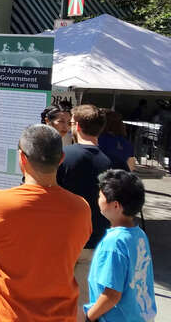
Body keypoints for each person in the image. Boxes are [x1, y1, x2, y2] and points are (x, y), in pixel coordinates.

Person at [0, 125, 91, 322]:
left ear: (22, 158)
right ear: (61, 158)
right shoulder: (81, 208)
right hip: (59, 316)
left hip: (4, 314)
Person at [57, 104, 113, 304]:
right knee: (83, 302)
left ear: (77, 126)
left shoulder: (64, 156)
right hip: (96, 238)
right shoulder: (110, 162)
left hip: (64, 240)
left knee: (56, 299)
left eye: (71, 122)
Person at [84, 170, 157, 322]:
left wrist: (88, 317)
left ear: (116, 205)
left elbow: (111, 295)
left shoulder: (114, 243)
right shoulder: (139, 235)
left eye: (101, 196)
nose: (98, 199)